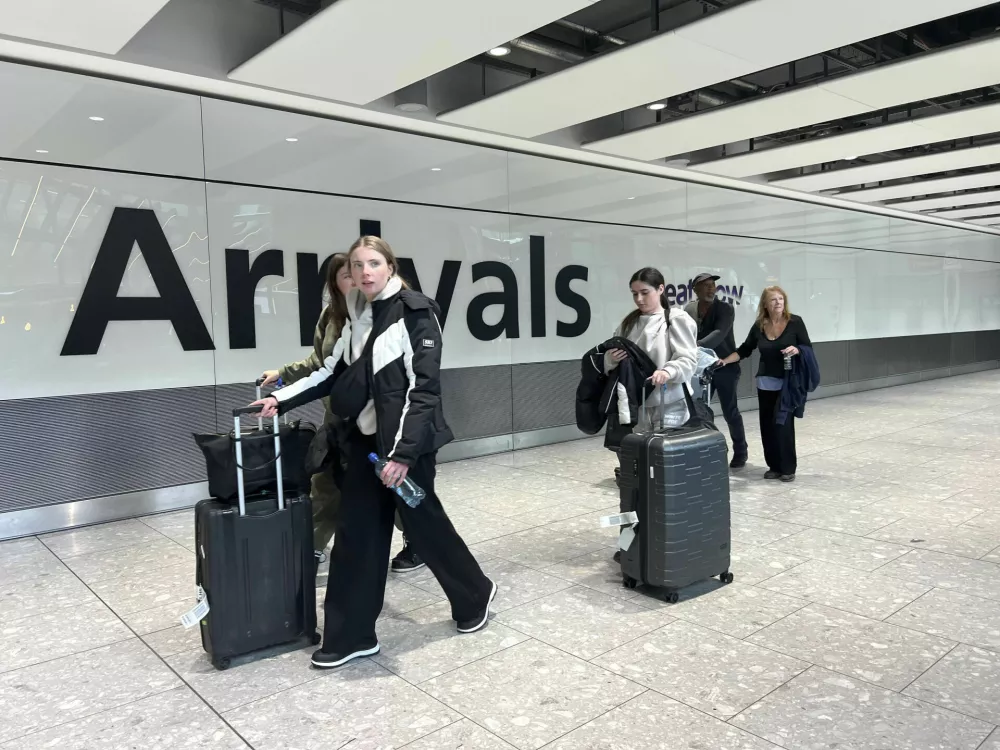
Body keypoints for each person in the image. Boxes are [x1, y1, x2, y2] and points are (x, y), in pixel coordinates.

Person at [250, 235, 496, 669]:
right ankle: (351, 636)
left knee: (424, 528)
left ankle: (475, 593)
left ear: (390, 267)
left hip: (406, 446)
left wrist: (402, 456)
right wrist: (280, 399)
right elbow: (331, 372)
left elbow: (424, 390)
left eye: (374, 263)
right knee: (357, 535)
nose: (365, 272)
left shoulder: (416, 313)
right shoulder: (357, 316)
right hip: (365, 446)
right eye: (357, 265)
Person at [259, 253, 352, 562]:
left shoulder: (378, 316)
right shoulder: (331, 316)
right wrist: (283, 374)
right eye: (346, 276)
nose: (355, 280)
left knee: (388, 484)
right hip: (337, 414)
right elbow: (320, 362)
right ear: (334, 283)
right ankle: (311, 545)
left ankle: (418, 539)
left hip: (373, 418)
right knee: (325, 479)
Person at [606, 267, 698, 562]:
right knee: (633, 483)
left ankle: (668, 543)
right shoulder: (628, 323)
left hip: (670, 408)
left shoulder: (676, 319)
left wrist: (668, 370)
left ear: (661, 289)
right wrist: (610, 360)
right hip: (635, 410)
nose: (639, 299)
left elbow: (688, 359)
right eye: (634, 293)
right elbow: (609, 357)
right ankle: (629, 545)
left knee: (665, 481)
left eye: (644, 292)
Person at [719, 285, 811, 482]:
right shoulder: (760, 325)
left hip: (787, 383)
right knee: (767, 425)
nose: (778, 303)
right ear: (765, 304)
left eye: (780, 299)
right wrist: (725, 361)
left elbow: (807, 347)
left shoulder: (795, 322)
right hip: (765, 382)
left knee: (783, 424)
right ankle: (774, 466)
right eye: (773, 299)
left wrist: (797, 350)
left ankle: (788, 468)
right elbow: (745, 349)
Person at [684, 272, 748, 469]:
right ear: (695, 289)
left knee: (730, 411)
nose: (711, 288)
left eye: (712, 285)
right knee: (699, 411)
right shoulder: (689, 309)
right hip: (701, 369)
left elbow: (719, 334)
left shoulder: (725, 309)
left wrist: (694, 347)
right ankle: (704, 452)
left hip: (725, 366)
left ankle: (740, 451)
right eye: (705, 285)